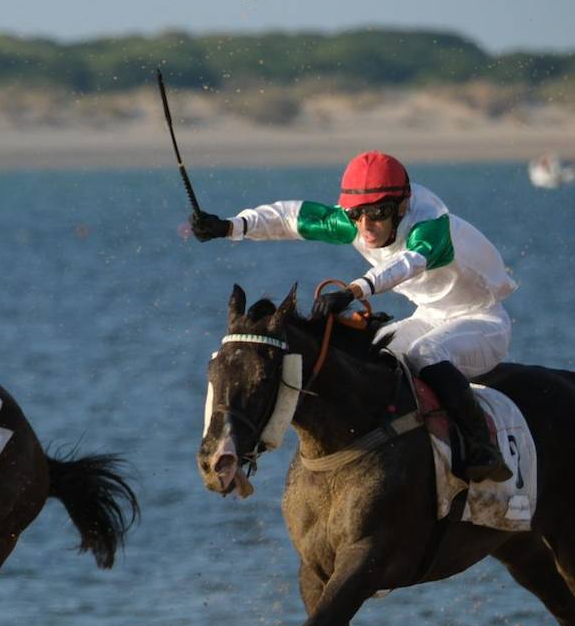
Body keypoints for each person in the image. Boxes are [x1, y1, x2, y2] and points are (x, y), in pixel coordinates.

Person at [190, 150, 515, 483]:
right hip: (431, 316)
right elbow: (291, 217)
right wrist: (229, 226)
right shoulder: (360, 221)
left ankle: (481, 449)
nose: (366, 226)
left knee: (424, 354)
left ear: (401, 208)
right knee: (373, 354)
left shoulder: (431, 226)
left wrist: (354, 290)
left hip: (482, 320)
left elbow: (407, 263)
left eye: (377, 214)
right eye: (355, 214)